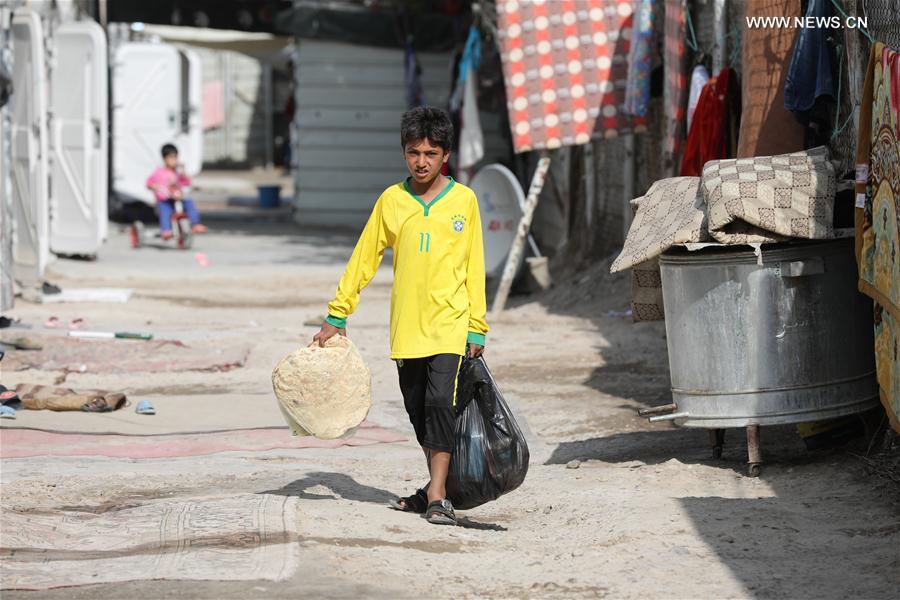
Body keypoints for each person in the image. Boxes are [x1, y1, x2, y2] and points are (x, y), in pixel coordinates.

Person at [313, 106, 489, 526]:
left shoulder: (464, 201)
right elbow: (364, 258)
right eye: (414, 153)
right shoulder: (392, 202)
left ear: (445, 155)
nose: (422, 161)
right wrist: (337, 315)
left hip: (450, 325)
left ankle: (439, 496)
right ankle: (433, 489)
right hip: (407, 329)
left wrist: (476, 325)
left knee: (440, 405)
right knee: (418, 411)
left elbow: (474, 266)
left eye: (431, 152)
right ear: (404, 154)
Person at [145, 143, 208, 240]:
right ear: (164, 159)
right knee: (165, 212)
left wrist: (183, 172)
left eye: (175, 158)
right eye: (171, 158)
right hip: (165, 200)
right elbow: (149, 182)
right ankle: (166, 230)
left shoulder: (177, 173)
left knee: (189, 203)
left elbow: (186, 183)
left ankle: (195, 224)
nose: (174, 160)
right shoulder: (159, 172)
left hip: (177, 199)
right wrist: (153, 186)